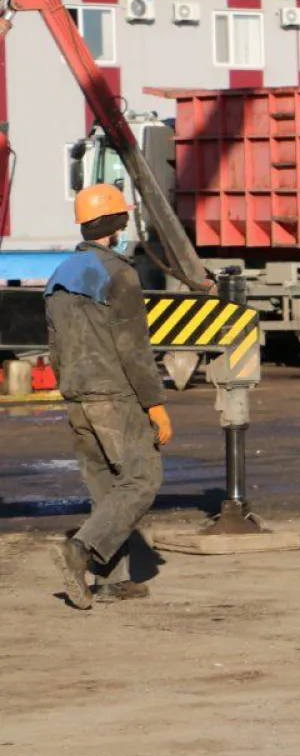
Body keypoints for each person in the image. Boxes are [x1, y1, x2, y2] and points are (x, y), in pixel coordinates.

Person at [45, 183, 171, 609]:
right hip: (113, 395)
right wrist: (155, 405)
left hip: (77, 395)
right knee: (142, 478)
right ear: (117, 224)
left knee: (106, 485)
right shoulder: (120, 274)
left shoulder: (58, 276)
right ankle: (79, 550)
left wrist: (70, 388)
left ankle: (111, 581)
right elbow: (133, 349)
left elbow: (55, 346)